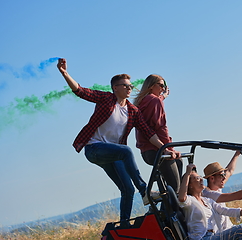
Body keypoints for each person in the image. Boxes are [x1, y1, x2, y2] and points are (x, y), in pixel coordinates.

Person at [56, 58, 175, 225]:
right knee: (126, 151)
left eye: (130, 85)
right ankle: (144, 191)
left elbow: (149, 133)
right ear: (115, 88)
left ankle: (124, 225)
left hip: (114, 154)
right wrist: (65, 73)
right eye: (125, 85)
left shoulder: (133, 111)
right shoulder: (106, 99)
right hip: (94, 149)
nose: (129, 88)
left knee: (127, 189)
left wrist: (165, 149)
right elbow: (81, 91)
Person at [178, 163, 242, 240]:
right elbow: (182, 198)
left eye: (200, 177)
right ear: (190, 185)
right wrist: (187, 173)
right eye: (197, 178)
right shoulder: (190, 201)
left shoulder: (207, 201)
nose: (201, 180)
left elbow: (226, 211)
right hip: (203, 238)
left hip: (214, 236)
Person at [134, 74, 182, 192]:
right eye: (161, 85)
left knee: (176, 166)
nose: (163, 88)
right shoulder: (154, 100)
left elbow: (157, 99)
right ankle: (175, 208)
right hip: (157, 149)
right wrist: (168, 148)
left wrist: (164, 96)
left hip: (147, 151)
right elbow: (160, 127)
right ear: (151, 86)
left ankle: (164, 208)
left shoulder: (143, 101)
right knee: (175, 188)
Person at [202, 152, 242, 238]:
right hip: (223, 234)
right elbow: (239, 195)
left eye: (224, 175)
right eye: (222, 175)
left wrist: (237, 154)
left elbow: (229, 171)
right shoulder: (209, 195)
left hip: (232, 228)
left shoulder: (217, 187)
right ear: (212, 178)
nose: (224, 177)